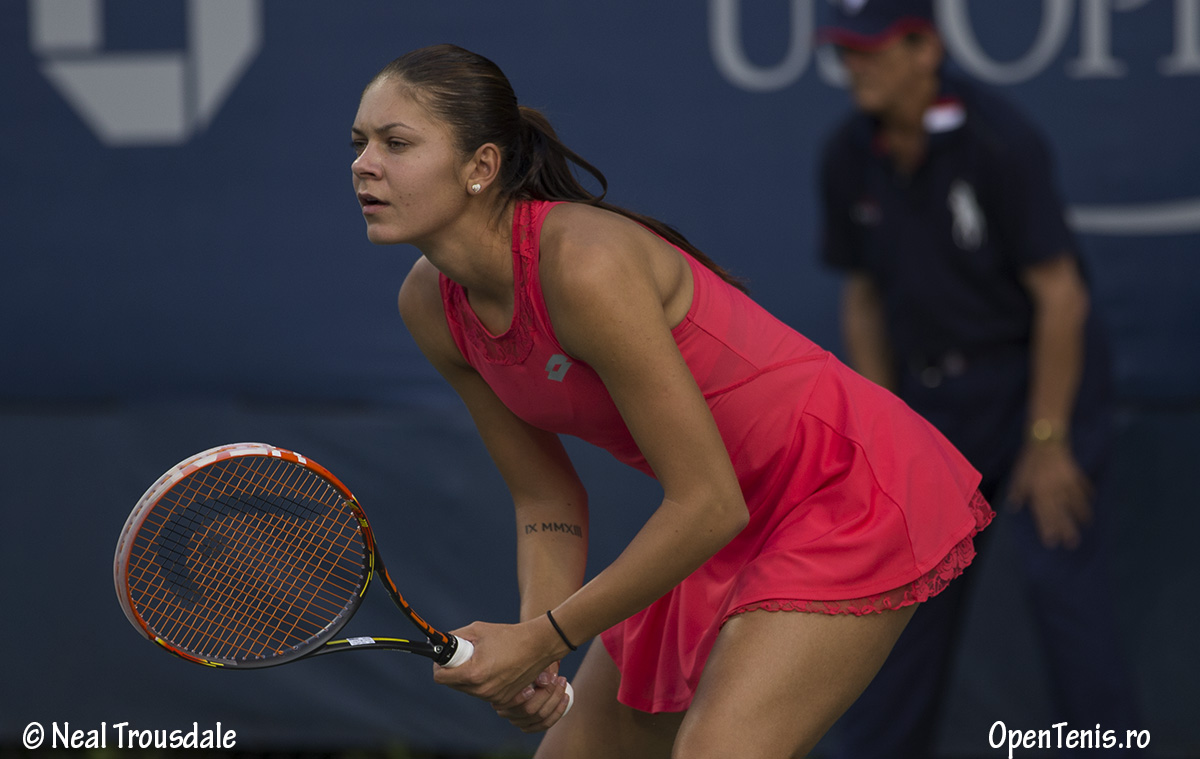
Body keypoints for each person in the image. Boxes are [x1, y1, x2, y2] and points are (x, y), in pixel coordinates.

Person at [351, 43, 991, 758]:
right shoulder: (429, 305)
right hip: (716, 517)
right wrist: (538, 643)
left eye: (396, 143)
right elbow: (546, 498)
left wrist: (545, 636)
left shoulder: (584, 264)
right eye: (359, 143)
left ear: (481, 166)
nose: (364, 165)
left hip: (843, 484)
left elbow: (708, 502)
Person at [815, 0, 1140, 755]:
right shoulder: (846, 155)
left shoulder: (1000, 140)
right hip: (932, 403)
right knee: (907, 588)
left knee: (1060, 580)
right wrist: (884, 423)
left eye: (872, 49)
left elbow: (1061, 295)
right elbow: (863, 296)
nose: (855, 67)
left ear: (925, 49)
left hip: (1037, 386)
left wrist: (1048, 440)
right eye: (845, 51)